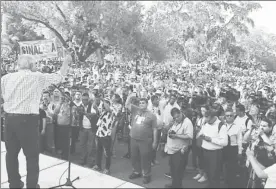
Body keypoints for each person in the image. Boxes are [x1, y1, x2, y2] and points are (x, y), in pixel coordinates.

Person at [1, 54, 70, 188]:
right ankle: (32, 185)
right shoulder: (37, 77)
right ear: (32, 65)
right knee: (31, 155)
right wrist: (66, 61)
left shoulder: (5, 78)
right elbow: (59, 77)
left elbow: (4, 97)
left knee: (11, 154)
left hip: (9, 119)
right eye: (35, 64)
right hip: (27, 120)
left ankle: (14, 183)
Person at [126, 95, 158, 184]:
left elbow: (155, 129)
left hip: (145, 141)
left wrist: (155, 142)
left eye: (143, 103)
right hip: (133, 138)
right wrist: (130, 96)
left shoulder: (152, 115)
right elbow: (127, 104)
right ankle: (137, 172)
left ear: (147, 104)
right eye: (140, 103)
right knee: (134, 157)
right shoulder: (136, 110)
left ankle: (147, 175)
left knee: (145, 158)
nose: (141, 104)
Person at [164, 107, 193, 188]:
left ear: (180, 113)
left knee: (178, 171)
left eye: (178, 116)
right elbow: (167, 130)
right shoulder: (173, 121)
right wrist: (168, 126)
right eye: (175, 117)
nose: (176, 118)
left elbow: (190, 136)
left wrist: (176, 136)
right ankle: (174, 184)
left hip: (180, 150)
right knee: (173, 169)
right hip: (171, 149)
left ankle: (177, 186)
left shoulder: (187, 122)